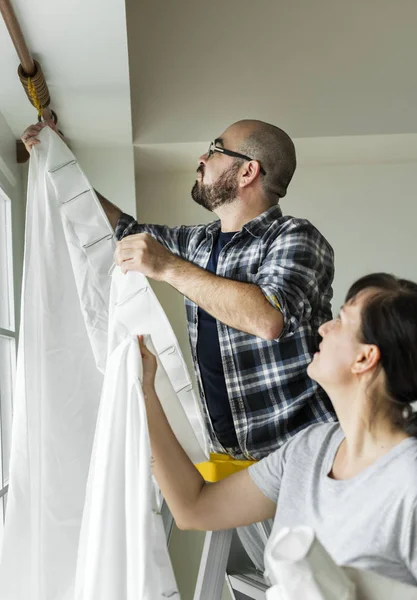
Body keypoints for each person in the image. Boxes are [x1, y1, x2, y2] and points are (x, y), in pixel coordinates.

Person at [21, 118, 335, 460]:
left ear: (248, 172)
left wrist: (167, 267)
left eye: (215, 149)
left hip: (306, 452)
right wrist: (58, 165)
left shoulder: (295, 236)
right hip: (229, 458)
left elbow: (268, 318)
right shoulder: (200, 242)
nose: (201, 158)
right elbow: (123, 231)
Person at [137, 272, 417, 586]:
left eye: (342, 319)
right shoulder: (310, 449)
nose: (325, 328)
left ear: (365, 357)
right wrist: (144, 390)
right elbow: (194, 508)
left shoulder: (408, 481)